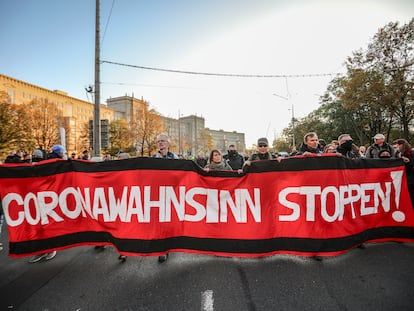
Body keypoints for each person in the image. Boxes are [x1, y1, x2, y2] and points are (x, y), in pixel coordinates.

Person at [28, 146, 62, 263]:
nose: (34, 159)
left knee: (46, 226)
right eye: (34, 157)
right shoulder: (30, 168)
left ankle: (50, 249)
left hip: (46, 201)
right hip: (36, 201)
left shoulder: (48, 166)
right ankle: (41, 251)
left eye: (37, 157)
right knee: (39, 227)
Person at [152, 133, 178, 262]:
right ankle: (162, 249)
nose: (160, 143)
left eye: (163, 141)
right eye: (158, 142)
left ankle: (168, 246)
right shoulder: (153, 159)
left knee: (169, 221)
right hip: (158, 195)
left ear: (168, 143)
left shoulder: (175, 158)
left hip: (172, 194)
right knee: (160, 222)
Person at [393, 138, 414, 208]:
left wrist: (409, 162)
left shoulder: (411, 153)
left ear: (403, 145)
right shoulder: (397, 153)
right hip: (400, 177)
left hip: (410, 178)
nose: (397, 146)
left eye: (399, 144)